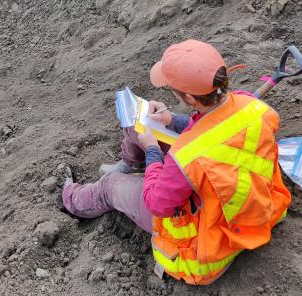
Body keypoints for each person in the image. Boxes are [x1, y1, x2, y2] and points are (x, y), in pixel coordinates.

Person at [62, 39, 291, 286]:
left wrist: (152, 151)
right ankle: (128, 165)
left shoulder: (185, 157)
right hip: (253, 205)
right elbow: (215, 127)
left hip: (206, 239)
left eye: (172, 89)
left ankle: (70, 199)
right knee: (136, 127)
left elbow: (158, 203)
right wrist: (171, 119)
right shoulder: (253, 105)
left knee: (109, 185)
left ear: (191, 98)